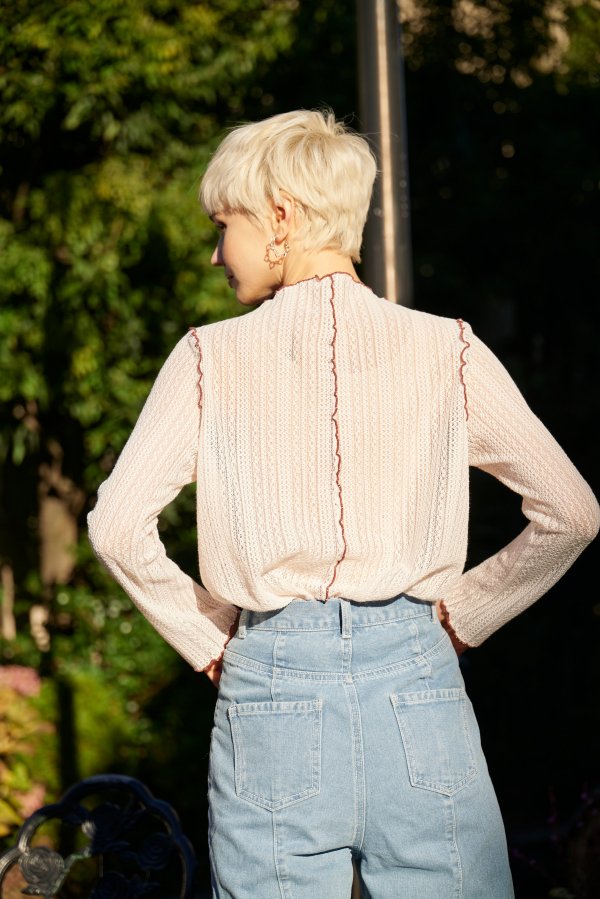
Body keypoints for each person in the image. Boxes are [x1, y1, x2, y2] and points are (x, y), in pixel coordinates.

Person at [87, 109, 599, 899]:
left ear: (280, 217)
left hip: (272, 691)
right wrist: (463, 615)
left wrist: (212, 639)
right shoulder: (450, 349)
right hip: (418, 683)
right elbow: (573, 511)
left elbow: (118, 526)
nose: (216, 252)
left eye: (224, 225)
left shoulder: (207, 359)